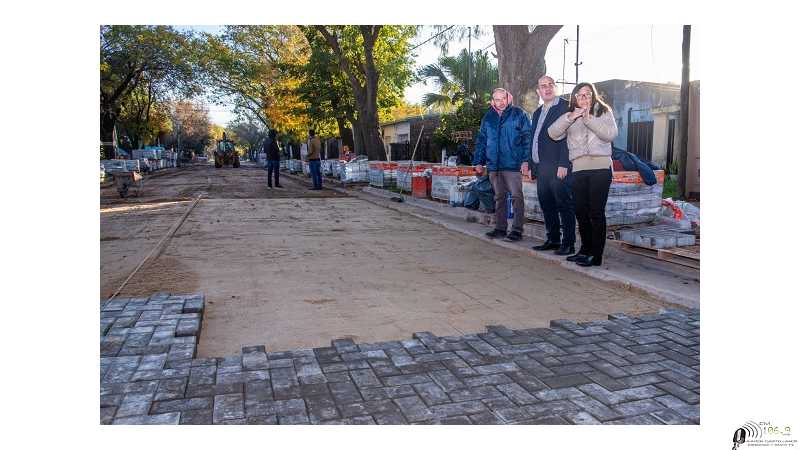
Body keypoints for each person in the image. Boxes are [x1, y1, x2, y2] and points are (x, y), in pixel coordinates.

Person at [548, 82, 618, 266]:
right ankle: (585, 250)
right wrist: (571, 117)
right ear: (575, 98)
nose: (583, 97)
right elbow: (552, 133)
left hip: (601, 168)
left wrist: (588, 119)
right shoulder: (570, 115)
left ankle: (596, 255)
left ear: (593, 96)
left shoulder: (603, 111)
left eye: (587, 94)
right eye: (579, 95)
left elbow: (610, 134)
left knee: (596, 212)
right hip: (579, 169)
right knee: (580, 211)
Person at [473, 88, 532, 242]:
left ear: (508, 98)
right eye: (497, 99)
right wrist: (478, 161)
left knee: (517, 197)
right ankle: (500, 228)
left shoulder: (519, 114)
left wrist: (526, 160)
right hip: (494, 166)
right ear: (492, 101)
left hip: (513, 164)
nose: (501, 102)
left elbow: (528, 138)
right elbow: (482, 140)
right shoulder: (488, 118)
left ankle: (517, 230)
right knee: (499, 197)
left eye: (503, 99)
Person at [529, 75, 576, 256]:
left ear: (555, 87)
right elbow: (533, 139)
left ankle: (568, 243)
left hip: (558, 166)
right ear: (538, 91)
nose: (547, 88)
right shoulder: (537, 112)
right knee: (546, 204)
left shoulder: (565, 106)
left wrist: (564, 163)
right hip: (542, 167)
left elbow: (569, 137)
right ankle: (553, 239)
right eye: (543, 86)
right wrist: (530, 163)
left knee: (564, 205)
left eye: (550, 85)